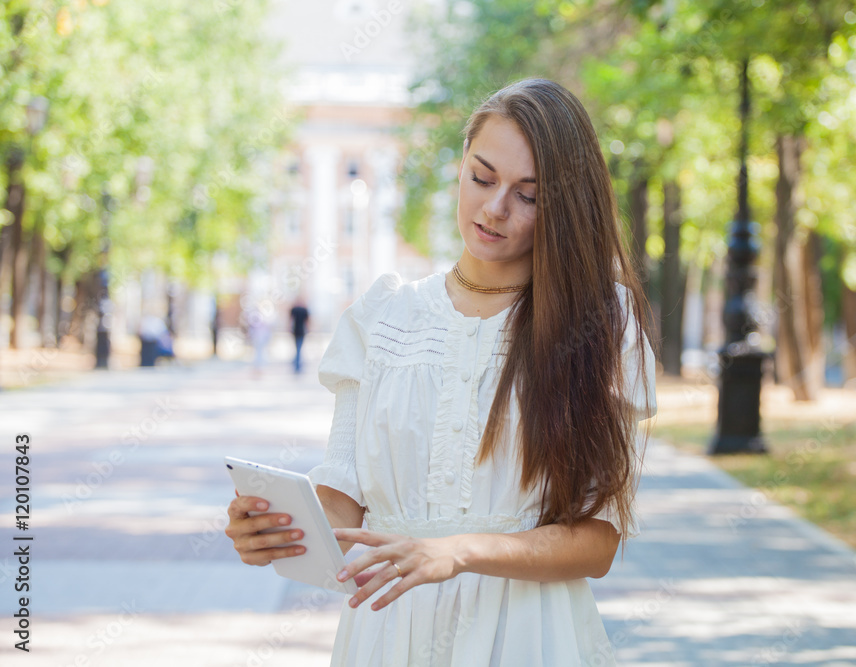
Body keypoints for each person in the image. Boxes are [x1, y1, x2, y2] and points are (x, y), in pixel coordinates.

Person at [225, 78, 658, 665]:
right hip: (387, 635)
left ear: (565, 205)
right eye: (482, 177)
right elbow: (343, 508)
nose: (494, 208)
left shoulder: (604, 324)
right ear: (460, 167)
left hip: (529, 639)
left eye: (528, 195)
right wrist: (276, 532)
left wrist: (457, 551)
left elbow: (596, 544)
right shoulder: (381, 317)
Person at [290, 298, 310, 373]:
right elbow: (307, 321)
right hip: (301, 331)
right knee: (299, 348)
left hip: (295, 331)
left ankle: (296, 364)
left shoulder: (294, 309)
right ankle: (297, 365)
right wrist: (308, 329)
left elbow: (291, 320)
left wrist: (289, 328)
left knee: (297, 348)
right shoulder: (304, 310)